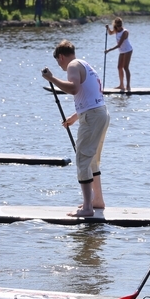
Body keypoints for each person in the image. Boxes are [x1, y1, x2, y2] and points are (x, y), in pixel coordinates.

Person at [42, 40, 110, 217]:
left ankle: (87, 208)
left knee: (82, 160)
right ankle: (97, 201)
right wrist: (74, 117)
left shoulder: (72, 65)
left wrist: (52, 79)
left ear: (61, 57)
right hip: (100, 113)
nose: (60, 66)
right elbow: (88, 95)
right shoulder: (84, 64)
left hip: (93, 117)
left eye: (58, 62)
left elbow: (73, 89)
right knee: (92, 160)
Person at [105, 17, 133, 91]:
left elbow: (119, 45)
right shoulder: (116, 30)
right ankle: (121, 85)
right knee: (119, 67)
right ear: (116, 25)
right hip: (122, 51)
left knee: (125, 67)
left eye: (120, 25)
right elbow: (110, 33)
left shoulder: (125, 32)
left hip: (128, 50)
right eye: (118, 25)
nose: (119, 27)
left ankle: (128, 86)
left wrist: (108, 50)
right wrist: (108, 28)